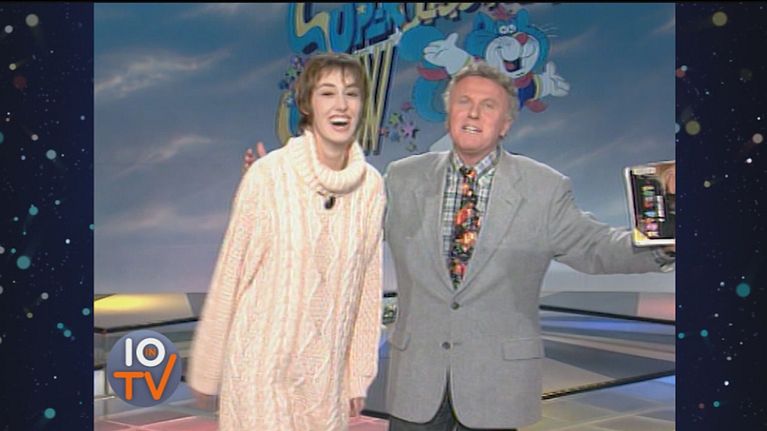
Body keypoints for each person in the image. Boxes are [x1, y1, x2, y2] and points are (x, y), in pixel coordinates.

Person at [243, 60, 674, 430]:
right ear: (449, 112)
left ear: (505, 124)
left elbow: (596, 247)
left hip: (496, 387)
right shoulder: (402, 178)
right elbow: (343, 224)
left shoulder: (543, 188)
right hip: (417, 384)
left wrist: (666, 243)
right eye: (464, 101)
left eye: (488, 106)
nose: (473, 113)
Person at [188, 52, 386, 431]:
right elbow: (231, 272)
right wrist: (207, 368)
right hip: (260, 373)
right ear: (308, 104)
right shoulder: (268, 176)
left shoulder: (371, 187)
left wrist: (358, 375)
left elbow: (367, 286)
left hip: (324, 382)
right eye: (327, 93)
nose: (341, 105)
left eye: (351, 93)